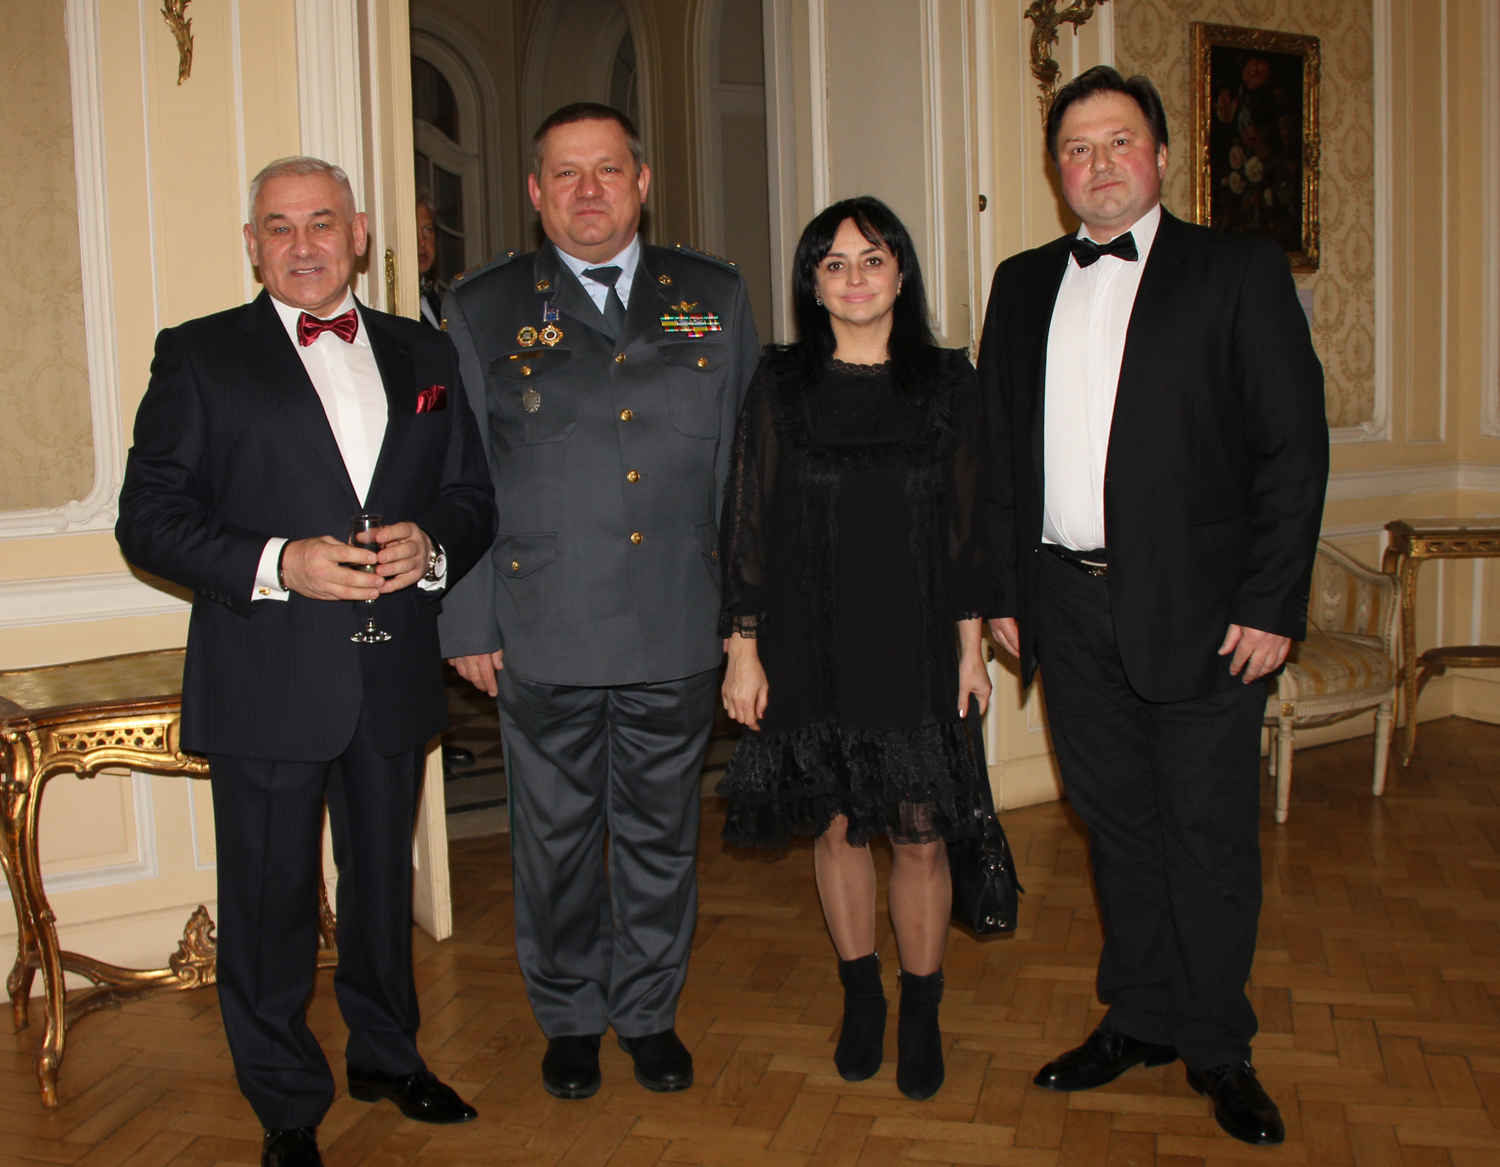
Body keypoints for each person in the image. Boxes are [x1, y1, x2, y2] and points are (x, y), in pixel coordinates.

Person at [116, 156, 496, 1167]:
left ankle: (387, 1055)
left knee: (382, 889)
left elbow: (471, 496)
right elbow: (147, 519)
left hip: (391, 671)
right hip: (267, 675)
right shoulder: (199, 356)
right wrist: (277, 562)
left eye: (321, 221)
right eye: (278, 227)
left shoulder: (426, 352)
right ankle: (285, 1103)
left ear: (359, 234)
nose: (301, 244)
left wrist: (434, 547)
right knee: (270, 903)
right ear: (252, 245)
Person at [977, 67, 1327, 1146]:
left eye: (1119, 141)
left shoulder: (1237, 270)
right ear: (1057, 171)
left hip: (1208, 610)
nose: (1100, 164)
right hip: (1064, 602)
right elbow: (996, 452)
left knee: (1206, 832)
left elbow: (1292, 447)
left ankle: (1218, 1042)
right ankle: (1138, 1015)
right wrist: (1002, 590)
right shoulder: (1021, 282)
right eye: (1077, 149)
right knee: (1117, 824)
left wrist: (1272, 602)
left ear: (1163, 156)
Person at [438, 103, 759, 1100]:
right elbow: (459, 477)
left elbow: (747, 474)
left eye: (608, 170)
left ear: (642, 182)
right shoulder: (484, 306)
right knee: (555, 840)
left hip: (677, 617)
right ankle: (572, 1015)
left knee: (663, 835)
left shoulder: (712, 294)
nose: (589, 191)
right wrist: (468, 619)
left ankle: (650, 1012)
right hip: (544, 625)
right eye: (566, 174)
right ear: (535, 192)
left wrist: (746, 623)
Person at [717, 197, 996, 1102]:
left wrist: (973, 649)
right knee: (836, 822)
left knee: (920, 833)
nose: (855, 278)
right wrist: (743, 649)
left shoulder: (948, 383)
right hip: (808, 642)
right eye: (833, 264)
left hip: (914, 643)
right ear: (813, 284)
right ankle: (862, 996)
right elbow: (747, 524)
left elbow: (966, 532)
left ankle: (922, 1007)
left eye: (872, 259)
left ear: (901, 273)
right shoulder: (780, 385)